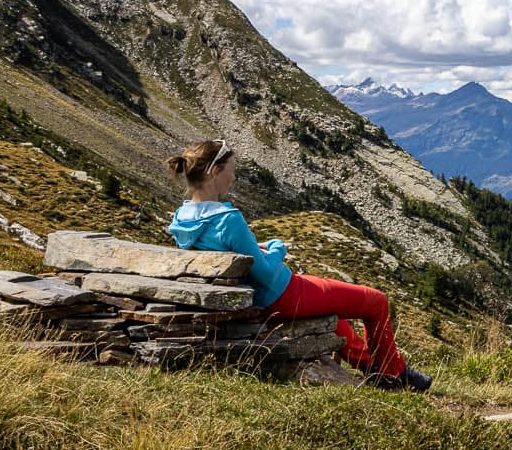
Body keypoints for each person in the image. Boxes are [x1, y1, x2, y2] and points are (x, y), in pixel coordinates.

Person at [164, 138, 431, 392]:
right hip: (283, 295)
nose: (233, 178)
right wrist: (278, 247)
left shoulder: (183, 219)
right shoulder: (228, 219)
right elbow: (267, 275)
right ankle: (392, 374)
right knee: (377, 301)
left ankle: (374, 367)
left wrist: (255, 250)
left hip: (260, 299)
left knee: (335, 318)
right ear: (214, 172)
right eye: (230, 171)